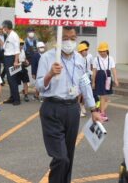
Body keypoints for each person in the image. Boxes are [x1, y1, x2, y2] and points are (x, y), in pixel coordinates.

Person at [36, 26, 102, 183]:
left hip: (73, 109)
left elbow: (85, 85)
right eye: (65, 38)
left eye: (72, 38)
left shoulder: (80, 60)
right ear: (58, 40)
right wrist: (50, 74)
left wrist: (93, 109)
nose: (69, 42)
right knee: (60, 157)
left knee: (69, 156)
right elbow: (39, 86)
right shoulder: (47, 58)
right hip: (52, 108)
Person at [92, 42, 119, 122]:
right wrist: (93, 82)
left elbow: (113, 69)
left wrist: (116, 79)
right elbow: (94, 71)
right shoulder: (96, 59)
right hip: (99, 76)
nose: (102, 52)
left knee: (105, 96)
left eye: (103, 51)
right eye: (100, 51)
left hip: (108, 76)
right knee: (103, 95)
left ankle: (99, 109)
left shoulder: (110, 58)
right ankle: (102, 112)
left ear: (107, 50)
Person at [0, 20, 21, 106]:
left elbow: (17, 50)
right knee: (10, 80)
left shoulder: (14, 36)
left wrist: (15, 61)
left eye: (3, 27)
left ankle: (17, 99)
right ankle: (12, 97)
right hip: (7, 58)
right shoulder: (9, 35)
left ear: (6, 27)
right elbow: (4, 46)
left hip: (12, 59)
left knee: (12, 79)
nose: (2, 29)